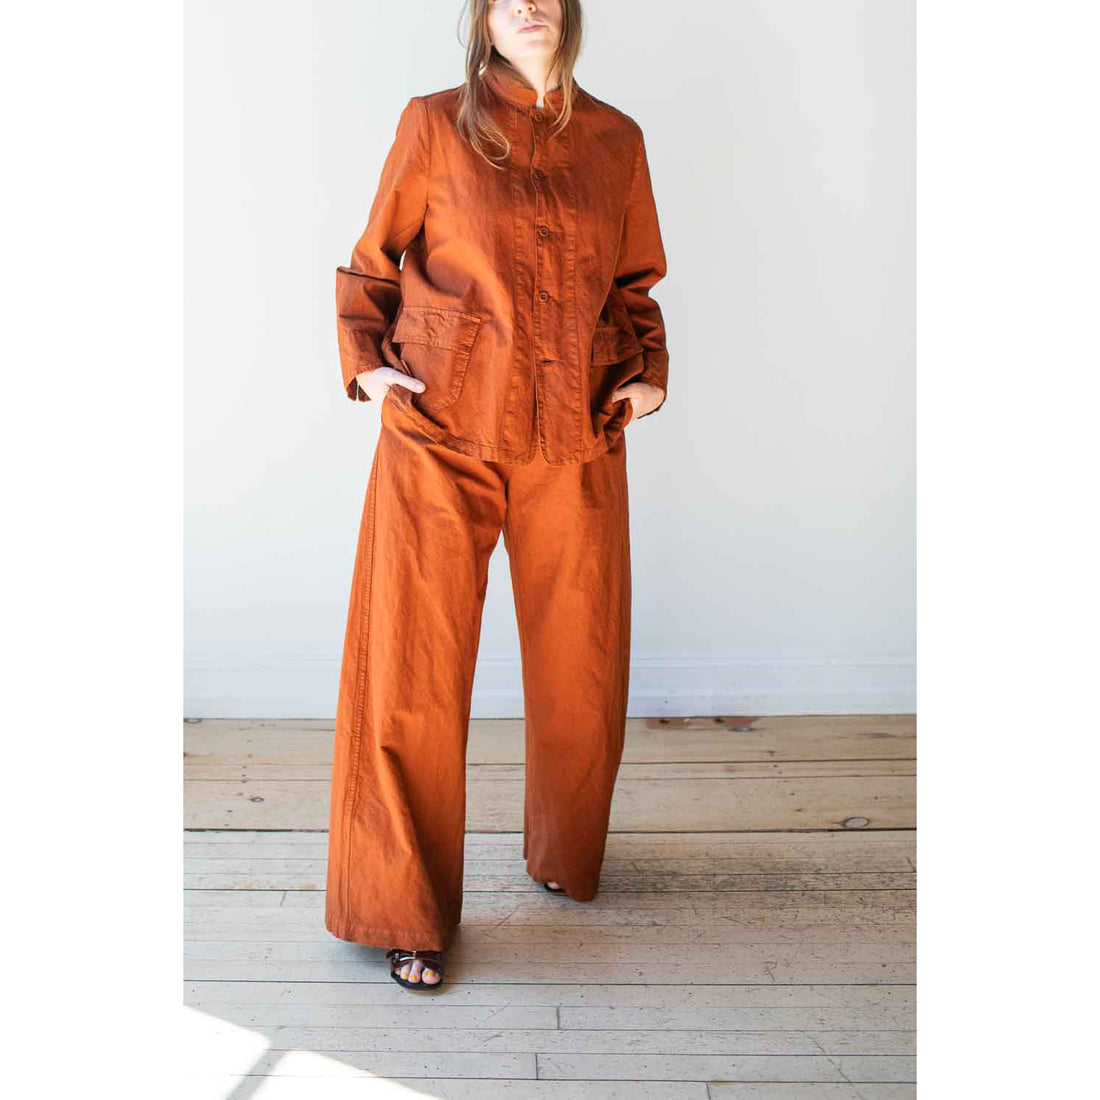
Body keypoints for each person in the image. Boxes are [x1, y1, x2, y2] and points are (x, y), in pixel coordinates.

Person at [325, 0, 670, 992]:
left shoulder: (616, 140)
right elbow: (371, 264)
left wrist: (645, 373)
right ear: (481, 18)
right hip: (441, 426)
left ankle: (564, 854)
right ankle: (403, 909)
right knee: (412, 664)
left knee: (582, 656)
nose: (528, 6)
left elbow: (633, 283)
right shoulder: (434, 124)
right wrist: (367, 365)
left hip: (578, 426)